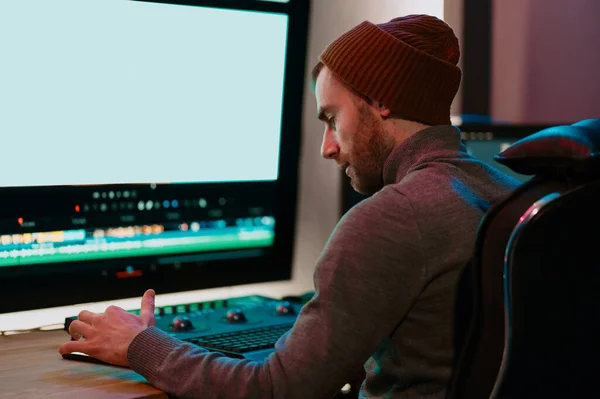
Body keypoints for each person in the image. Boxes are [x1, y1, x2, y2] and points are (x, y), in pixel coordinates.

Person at [59, 15, 520, 398]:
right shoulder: (511, 191)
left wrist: (141, 344)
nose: (327, 147)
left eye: (332, 119)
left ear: (381, 100)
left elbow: (277, 389)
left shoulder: (394, 217)